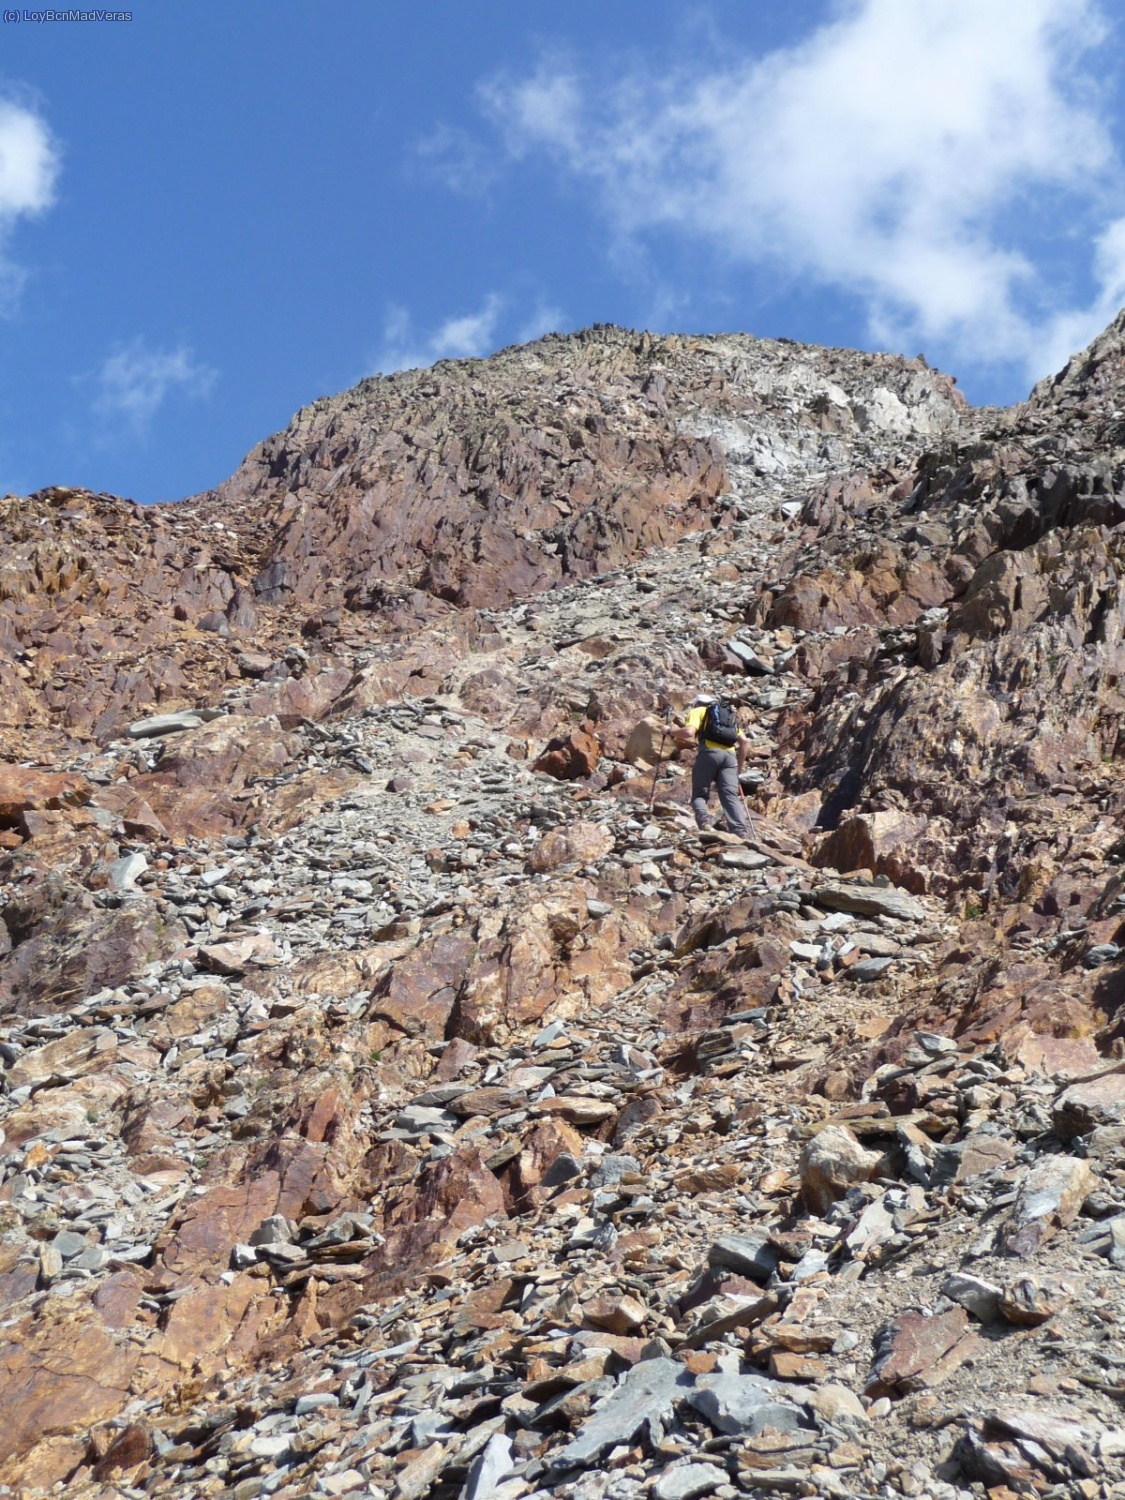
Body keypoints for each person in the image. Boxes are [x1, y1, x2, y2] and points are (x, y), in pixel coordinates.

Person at [671, 693, 753, 837]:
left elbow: (689, 732)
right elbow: (744, 742)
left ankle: (705, 822)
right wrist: (737, 770)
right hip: (730, 758)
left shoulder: (698, 711)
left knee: (700, 795)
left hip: (709, 753)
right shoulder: (727, 717)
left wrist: (670, 731)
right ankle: (741, 832)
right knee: (730, 796)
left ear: (697, 704)